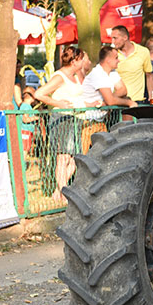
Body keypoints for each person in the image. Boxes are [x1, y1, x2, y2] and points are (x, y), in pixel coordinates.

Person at [34, 45, 90, 197]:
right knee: (63, 157)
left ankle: (59, 191)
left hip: (75, 118)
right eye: (81, 59)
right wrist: (59, 104)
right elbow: (39, 94)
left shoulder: (77, 76)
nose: (84, 61)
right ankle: (63, 192)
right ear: (74, 61)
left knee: (72, 159)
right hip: (61, 119)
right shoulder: (60, 77)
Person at [82, 45, 137, 118]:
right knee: (127, 100)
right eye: (116, 58)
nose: (119, 60)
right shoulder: (98, 73)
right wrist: (130, 103)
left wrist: (108, 100)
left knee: (126, 98)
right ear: (108, 60)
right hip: (90, 122)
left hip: (101, 119)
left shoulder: (112, 72)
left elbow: (123, 90)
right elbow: (111, 101)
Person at [110, 25, 153, 102]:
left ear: (125, 37)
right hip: (118, 102)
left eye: (115, 38)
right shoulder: (112, 54)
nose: (113, 42)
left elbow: (149, 75)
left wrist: (151, 96)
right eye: (112, 38)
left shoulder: (143, 51)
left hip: (137, 101)